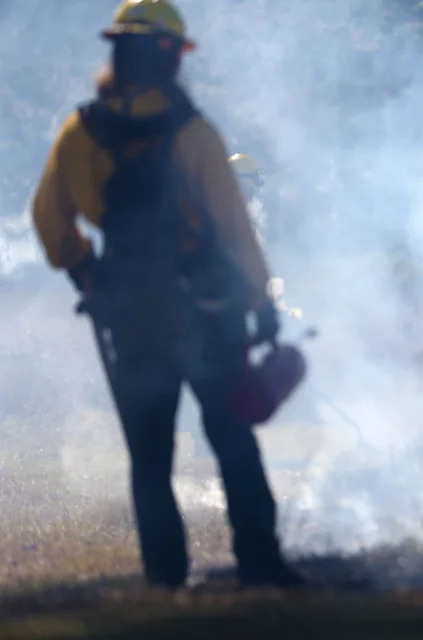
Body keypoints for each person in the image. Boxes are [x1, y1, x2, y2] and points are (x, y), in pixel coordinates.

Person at [31, 0, 303, 589]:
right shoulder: (195, 133)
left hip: (130, 318)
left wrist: (84, 271)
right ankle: (261, 565)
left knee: (149, 459)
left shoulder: (78, 135)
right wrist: (260, 302)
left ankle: (165, 582)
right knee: (232, 437)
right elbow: (233, 228)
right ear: (170, 56)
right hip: (206, 312)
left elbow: (49, 220)